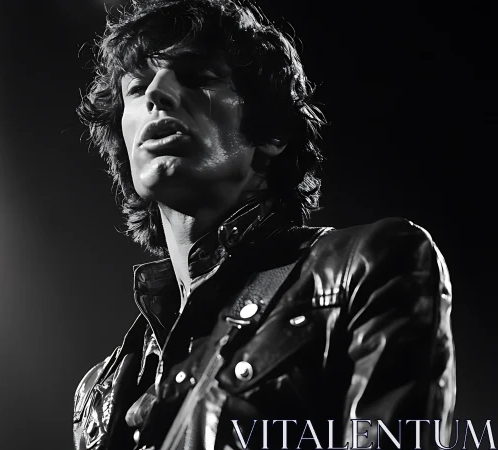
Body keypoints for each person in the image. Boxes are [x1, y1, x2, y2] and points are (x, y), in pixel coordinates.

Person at [72, 1, 456, 449]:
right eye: (137, 87)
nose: (157, 94)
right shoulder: (101, 391)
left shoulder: (368, 266)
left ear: (272, 133)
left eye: (196, 77)